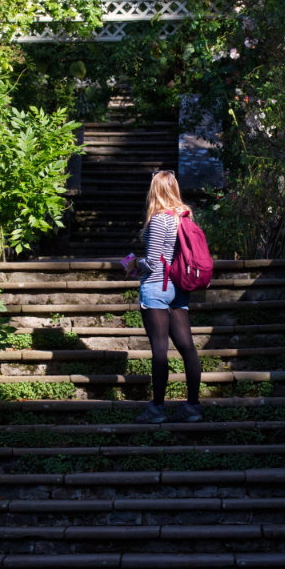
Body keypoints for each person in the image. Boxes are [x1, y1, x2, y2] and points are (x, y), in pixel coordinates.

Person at [122, 170, 203, 423]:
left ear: (155, 190)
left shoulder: (159, 219)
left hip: (157, 287)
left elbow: (154, 262)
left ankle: (157, 409)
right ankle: (192, 406)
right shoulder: (184, 216)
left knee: (159, 349)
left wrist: (133, 262)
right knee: (188, 347)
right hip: (179, 287)